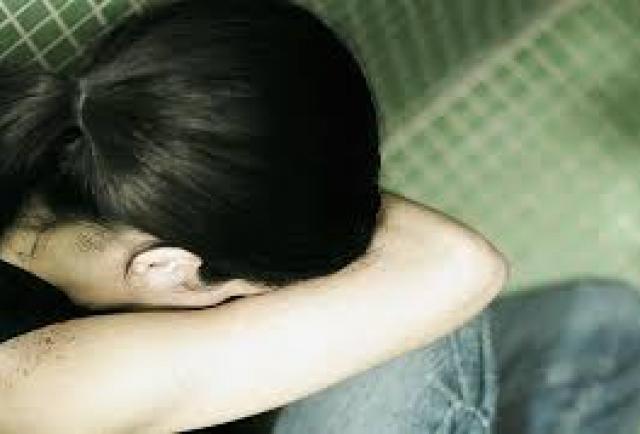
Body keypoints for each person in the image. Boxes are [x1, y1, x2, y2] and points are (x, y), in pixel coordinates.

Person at [0, 0, 505, 432]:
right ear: (166, 267)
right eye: (245, 288)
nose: (246, 299)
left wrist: (216, 166)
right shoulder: (45, 382)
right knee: (410, 318)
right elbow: (453, 263)